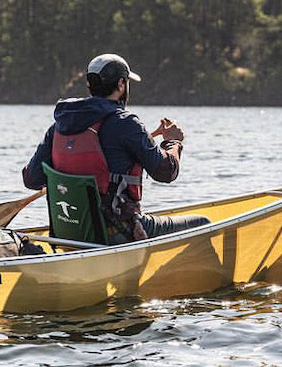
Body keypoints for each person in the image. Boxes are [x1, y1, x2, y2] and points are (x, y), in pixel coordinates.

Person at [22, 53, 209, 244]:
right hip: (118, 233)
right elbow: (166, 172)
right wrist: (174, 142)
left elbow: (31, 179)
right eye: (127, 83)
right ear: (121, 84)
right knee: (204, 223)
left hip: (70, 233)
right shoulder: (126, 123)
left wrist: (148, 138)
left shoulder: (58, 127)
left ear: (89, 85)